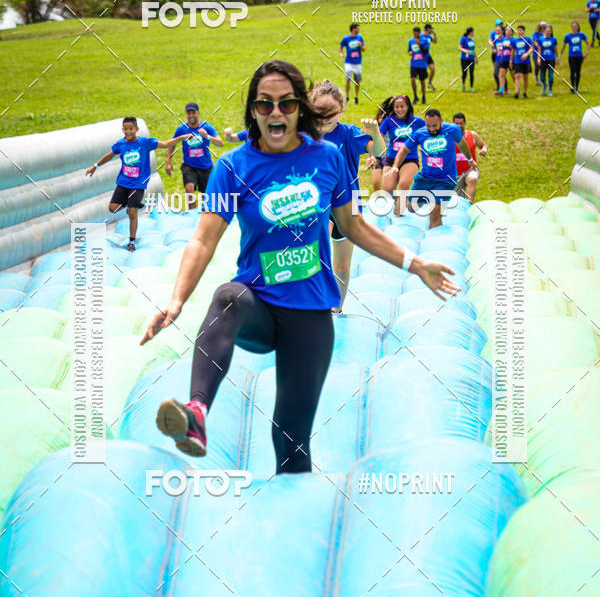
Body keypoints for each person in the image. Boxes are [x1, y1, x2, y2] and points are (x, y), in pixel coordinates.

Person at [141, 60, 459, 472]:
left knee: (289, 439)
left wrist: (415, 264)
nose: (276, 113)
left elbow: (354, 227)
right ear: (253, 110)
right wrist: (176, 300)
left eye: (287, 104)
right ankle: (197, 414)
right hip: (259, 305)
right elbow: (203, 238)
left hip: (310, 317)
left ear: (299, 109)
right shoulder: (233, 167)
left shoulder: (328, 158)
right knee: (227, 297)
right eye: (265, 104)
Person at [310, 78, 386, 312]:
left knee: (341, 266)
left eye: (331, 111)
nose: (325, 116)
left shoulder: (348, 134)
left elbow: (381, 151)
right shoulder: (305, 135)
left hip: (347, 206)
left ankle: (336, 308)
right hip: (316, 206)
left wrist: (374, 133)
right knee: (316, 255)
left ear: (340, 111)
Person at [85, 117, 191, 251]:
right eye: (126, 129)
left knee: (133, 212)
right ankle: (129, 203)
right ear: (123, 130)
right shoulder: (121, 144)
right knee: (112, 208)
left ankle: (132, 241)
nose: (128, 131)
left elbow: (165, 144)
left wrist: (181, 137)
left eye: (131, 128)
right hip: (123, 182)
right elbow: (110, 155)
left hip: (138, 184)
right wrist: (95, 166)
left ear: (136, 129)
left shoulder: (145, 143)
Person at [387, 107, 475, 230]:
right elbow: (404, 150)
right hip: (425, 178)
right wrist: (395, 166)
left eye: (435, 126)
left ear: (441, 121)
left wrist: (470, 160)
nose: (432, 129)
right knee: (412, 207)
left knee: (434, 214)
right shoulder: (420, 133)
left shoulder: (452, 130)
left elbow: (462, 144)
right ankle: (417, 201)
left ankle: (436, 242)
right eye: (429, 126)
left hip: (445, 180)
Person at [166, 102, 223, 210]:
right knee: (189, 188)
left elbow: (220, 143)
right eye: (189, 113)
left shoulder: (207, 127)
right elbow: (172, 143)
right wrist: (168, 161)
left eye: (193, 112)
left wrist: (207, 136)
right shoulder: (182, 129)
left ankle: (203, 218)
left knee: (205, 196)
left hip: (206, 167)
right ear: (186, 114)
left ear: (198, 113)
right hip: (189, 165)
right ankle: (192, 215)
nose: (191, 115)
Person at [379, 95, 426, 214]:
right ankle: (398, 202)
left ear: (408, 107)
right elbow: (378, 136)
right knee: (388, 188)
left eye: (402, 106)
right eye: (397, 107)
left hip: (410, 159)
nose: (399, 109)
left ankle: (400, 214)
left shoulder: (417, 121)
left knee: (404, 184)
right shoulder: (389, 121)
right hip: (391, 158)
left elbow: (428, 133)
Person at [452, 112, 488, 203]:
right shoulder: (449, 137)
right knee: (458, 201)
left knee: (472, 179)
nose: (459, 126)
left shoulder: (472, 135)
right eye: (457, 124)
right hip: (456, 173)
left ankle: (469, 202)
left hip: (471, 168)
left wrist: (484, 150)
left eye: (461, 123)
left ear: (465, 123)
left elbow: (483, 145)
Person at [560, 21, 590, 94]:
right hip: (571, 56)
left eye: (575, 26)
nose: (574, 28)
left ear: (578, 27)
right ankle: (572, 87)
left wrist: (587, 52)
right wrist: (560, 55)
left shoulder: (581, 34)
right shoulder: (568, 36)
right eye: (573, 26)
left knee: (578, 72)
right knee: (572, 71)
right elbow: (564, 46)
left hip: (579, 56)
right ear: (571, 27)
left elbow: (588, 43)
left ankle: (577, 87)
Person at [339, 23, 365, 104]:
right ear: (353, 29)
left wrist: (361, 46)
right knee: (348, 79)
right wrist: (341, 54)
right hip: (349, 63)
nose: (358, 30)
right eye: (357, 28)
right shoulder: (346, 38)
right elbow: (340, 47)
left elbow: (363, 50)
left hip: (357, 62)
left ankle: (356, 97)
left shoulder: (359, 37)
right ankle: (347, 97)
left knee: (357, 80)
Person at [510, 25, 534, 99]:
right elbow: (513, 51)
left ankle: (524, 92)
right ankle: (517, 92)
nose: (519, 32)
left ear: (524, 31)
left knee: (525, 77)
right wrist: (511, 61)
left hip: (526, 61)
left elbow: (531, 48)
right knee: (517, 76)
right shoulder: (515, 41)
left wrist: (526, 54)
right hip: (517, 60)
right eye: (518, 30)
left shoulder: (527, 39)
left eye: (521, 30)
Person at [408, 27, 428, 104]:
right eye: (414, 34)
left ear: (419, 33)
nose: (415, 35)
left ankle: (423, 96)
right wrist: (410, 52)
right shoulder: (411, 40)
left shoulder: (424, 40)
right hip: (414, 63)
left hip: (422, 64)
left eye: (416, 34)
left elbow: (426, 51)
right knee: (413, 79)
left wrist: (419, 44)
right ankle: (415, 96)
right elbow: (409, 49)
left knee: (422, 81)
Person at [538, 25, 559, 97]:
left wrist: (557, 58)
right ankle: (544, 85)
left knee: (550, 76)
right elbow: (539, 50)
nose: (548, 32)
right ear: (544, 31)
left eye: (549, 31)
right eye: (547, 31)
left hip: (551, 60)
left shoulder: (553, 39)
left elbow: (555, 49)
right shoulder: (541, 39)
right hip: (543, 60)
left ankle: (550, 90)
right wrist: (538, 58)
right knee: (542, 77)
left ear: (551, 32)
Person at [494, 25, 514, 96]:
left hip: (511, 60)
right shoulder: (503, 39)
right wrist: (498, 49)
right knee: (501, 75)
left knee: (514, 75)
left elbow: (515, 49)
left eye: (509, 31)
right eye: (507, 30)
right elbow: (501, 48)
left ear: (512, 32)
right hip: (503, 59)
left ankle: (517, 87)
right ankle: (501, 90)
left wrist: (508, 46)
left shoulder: (514, 40)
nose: (508, 32)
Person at [489, 19, 505, 93]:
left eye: (500, 24)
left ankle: (502, 87)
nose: (499, 25)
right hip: (495, 54)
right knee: (496, 71)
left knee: (500, 72)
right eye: (498, 24)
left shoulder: (504, 34)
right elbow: (490, 40)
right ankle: (500, 86)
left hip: (503, 56)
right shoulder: (493, 33)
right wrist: (491, 44)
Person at [458, 27, 477, 91]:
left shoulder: (472, 40)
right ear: (470, 32)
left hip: (471, 59)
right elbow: (459, 48)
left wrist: (476, 57)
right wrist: (466, 51)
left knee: (471, 73)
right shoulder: (463, 39)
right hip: (464, 59)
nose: (474, 33)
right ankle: (463, 84)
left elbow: (473, 50)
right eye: (473, 32)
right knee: (464, 73)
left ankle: (471, 87)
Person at [422, 23, 437, 90]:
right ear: (428, 29)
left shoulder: (429, 36)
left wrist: (434, 34)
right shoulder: (421, 36)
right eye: (431, 29)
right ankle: (423, 86)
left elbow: (435, 42)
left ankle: (429, 83)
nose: (432, 30)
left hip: (428, 55)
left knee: (433, 69)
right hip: (422, 57)